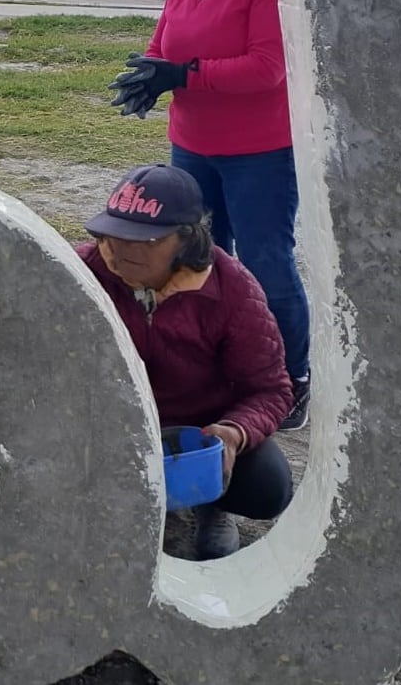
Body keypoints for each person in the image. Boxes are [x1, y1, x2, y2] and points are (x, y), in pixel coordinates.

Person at [107, 0, 312, 432]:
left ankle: (291, 378)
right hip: (193, 144)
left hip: (259, 152)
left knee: (264, 263)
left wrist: (186, 75)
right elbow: (163, 43)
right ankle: (209, 372)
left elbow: (268, 66)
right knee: (194, 264)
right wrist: (150, 75)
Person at [76, 163, 294, 560]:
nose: (118, 251)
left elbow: (271, 389)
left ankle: (214, 505)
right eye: (111, 235)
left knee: (266, 485)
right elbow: (21, 337)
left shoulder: (233, 290)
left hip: (196, 435)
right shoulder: (77, 271)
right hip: (106, 425)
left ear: (186, 239)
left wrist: (232, 433)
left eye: (143, 240)